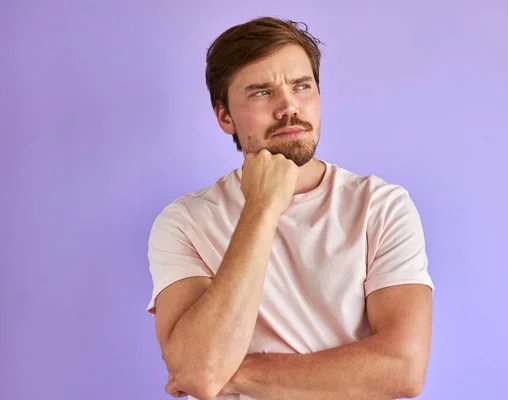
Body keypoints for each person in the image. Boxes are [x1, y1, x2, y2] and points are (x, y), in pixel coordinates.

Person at [146, 16, 434, 400]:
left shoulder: (379, 207)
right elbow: (198, 374)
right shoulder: (184, 222)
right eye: (261, 92)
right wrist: (262, 209)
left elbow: (403, 370)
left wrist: (232, 373)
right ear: (224, 117)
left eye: (302, 86)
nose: (288, 107)